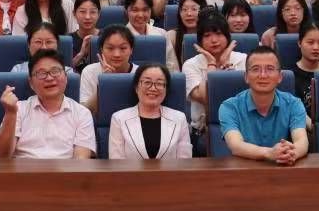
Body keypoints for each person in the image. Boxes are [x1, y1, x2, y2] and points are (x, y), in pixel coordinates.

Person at [0, 49, 96, 159]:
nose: (49, 78)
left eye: (55, 71)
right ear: (31, 83)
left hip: (65, 169)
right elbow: (3, 155)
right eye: (41, 73)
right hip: (22, 168)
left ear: (66, 77)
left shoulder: (82, 113)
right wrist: (10, 113)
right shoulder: (17, 109)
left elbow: (80, 161)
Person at [219, 46, 308, 163]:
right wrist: (269, 153)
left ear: (280, 77)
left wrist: (292, 154)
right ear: (246, 77)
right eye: (255, 69)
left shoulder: (293, 104)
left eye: (270, 69)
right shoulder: (229, 107)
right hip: (243, 169)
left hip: (283, 167)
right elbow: (236, 145)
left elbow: (301, 141)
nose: (263, 75)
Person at [183, 14, 247, 154]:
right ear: (200, 40)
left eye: (218, 34)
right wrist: (212, 65)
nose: (214, 40)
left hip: (243, 127)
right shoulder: (191, 65)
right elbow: (206, 98)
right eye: (207, 35)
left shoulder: (244, 60)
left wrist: (226, 67)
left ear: (227, 36)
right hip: (203, 130)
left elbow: (243, 97)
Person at [108, 64, 194, 160]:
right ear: (136, 87)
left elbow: (184, 161)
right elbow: (116, 161)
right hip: (130, 170)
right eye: (147, 82)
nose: (153, 88)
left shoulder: (179, 118)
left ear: (166, 89)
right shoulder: (119, 118)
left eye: (159, 83)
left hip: (171, 170)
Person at [79, 25, 139, 112]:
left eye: (123, 48)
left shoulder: (140, 73)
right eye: (110, 48)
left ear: (131, 50)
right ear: (101, 49)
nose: (117, 54)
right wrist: (104, 81)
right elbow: (85, 111)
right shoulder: (89, 71)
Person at [289, 24, 319, 120]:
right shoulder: (289, 75)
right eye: (310, 42)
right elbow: (291, 109)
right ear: (299, 43)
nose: (316, 47)